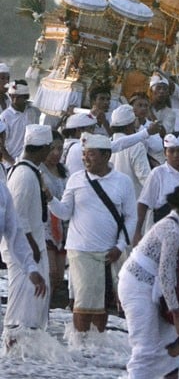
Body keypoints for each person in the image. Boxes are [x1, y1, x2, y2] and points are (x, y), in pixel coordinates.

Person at [48, 133, 138, 338]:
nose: (85, 158)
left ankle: (96, 347)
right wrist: (50, 199)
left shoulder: (122, 182)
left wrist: (120, 245)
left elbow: (131, 217)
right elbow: (63, 212)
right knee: (84, 302)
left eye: (91, 154)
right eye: (84, 154)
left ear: (106, 155)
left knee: (102, 305)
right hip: (81, 249)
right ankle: (79, 345)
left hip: (109, 252)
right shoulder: (76, 179)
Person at [118, 181, 179, 379]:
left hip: (153, 287)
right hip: (136, 286)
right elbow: (166, 276)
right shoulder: (172, 232)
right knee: (145, 350)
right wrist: (177, 314)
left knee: (171, 348)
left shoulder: (178, 228)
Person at [2, 125, 54, 339]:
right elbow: (18, 218)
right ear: (44, 149)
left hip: (30, 247)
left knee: (33, 304)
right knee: (21, 309)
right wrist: (32, 250)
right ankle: (14, 356)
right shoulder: (23, 175)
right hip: (24, 249)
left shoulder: (28, 171)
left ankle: (26, 359)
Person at [135, 133, 179, 244]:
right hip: (161, 235)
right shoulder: (157, 174)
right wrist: (137, 232)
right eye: (171, 151)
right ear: (165, 153)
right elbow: (143, 204)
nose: (176, 155)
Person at [41, 131, 69, 308]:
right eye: (52, 149)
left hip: (62, 225)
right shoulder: (38, 170)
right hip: (45, 225)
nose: (56, 153)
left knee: (58, 276)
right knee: (50, 273)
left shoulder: (64, 170)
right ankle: (42, 310)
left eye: (60, 149)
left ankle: (47, 311)